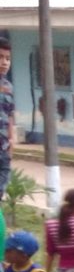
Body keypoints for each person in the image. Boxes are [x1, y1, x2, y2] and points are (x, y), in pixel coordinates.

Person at [0, 38, 14, 203]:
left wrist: (12, 140)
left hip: (3, 149)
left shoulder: (8, 86)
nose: (4, 62)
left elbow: (10, 114)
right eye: (1, 57)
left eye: (7, 58)